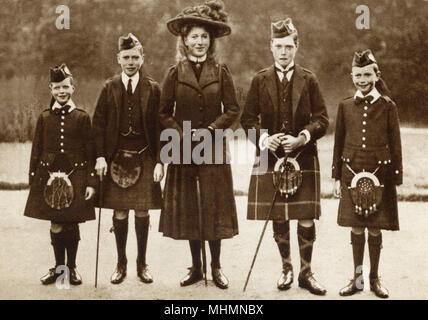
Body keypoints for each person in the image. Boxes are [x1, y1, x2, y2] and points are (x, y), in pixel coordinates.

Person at [241, 18, 329, 295]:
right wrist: (265, 139)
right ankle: (286, 269)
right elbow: (247, 120)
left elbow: (322, 119)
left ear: (296, 47)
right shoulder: (260, 79)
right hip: (270, 157)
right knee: (279, 216)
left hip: (303, 156)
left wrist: (302, 136)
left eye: (289, 46)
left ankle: (305, 272)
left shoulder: (309, 79)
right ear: (271, 47)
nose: (283, 52)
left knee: (304, 216)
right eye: (278, 46)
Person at [158, 0, 240, 289]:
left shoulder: (221, 72)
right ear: (185, 40)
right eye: (194, 36)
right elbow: (163, 113)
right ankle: (196, 266)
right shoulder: (174, 73)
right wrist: (182, 134)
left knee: (213, 206)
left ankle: (216, 267)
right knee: (191, 207)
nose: (199, 42)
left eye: (204, 36)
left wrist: (209, 131)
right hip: (182, 149)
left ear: (211, 41)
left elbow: (232, 110)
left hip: (213, 149)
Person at [92, 33, 164, 284]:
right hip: (115, 159)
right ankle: (121, 263)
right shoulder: (108, 87)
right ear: (118, 59)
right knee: (120, 211)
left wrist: (160, 161)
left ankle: (142, 263)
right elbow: (98, 124)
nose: (131, 62)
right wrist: (100, 157)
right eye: (126, 57)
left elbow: (160, 128)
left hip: (144, 157)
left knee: (143, 211)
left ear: (142, 59)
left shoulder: (153, 88)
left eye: (135, 57)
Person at [333, 50, 402, 298]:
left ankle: (374, 279)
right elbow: (338, 142)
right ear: (352, 76)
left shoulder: (388, 106)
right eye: (358, 75)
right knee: (355, 227)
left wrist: (396, 177)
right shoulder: (345, 106)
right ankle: (358, 278)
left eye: (366, 74)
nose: (362, 79)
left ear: (376, 74)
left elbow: (396, 143)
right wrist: (335, 176)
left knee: (374, 227)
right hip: (351, 174)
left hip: (380, 176)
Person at [24, 64, 97, 285]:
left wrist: (91, 182)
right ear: (50, 89)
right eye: (57, 88)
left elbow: (91, 151)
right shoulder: (44, 117)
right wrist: (33, 179)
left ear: (73, 88)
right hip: (48, 177)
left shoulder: (82, 117)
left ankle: (72, 268)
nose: (61, 92)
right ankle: (58, 267)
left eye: (65, 87)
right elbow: (36, 149)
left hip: (76, 176)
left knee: (71, 223)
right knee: (56, 224)